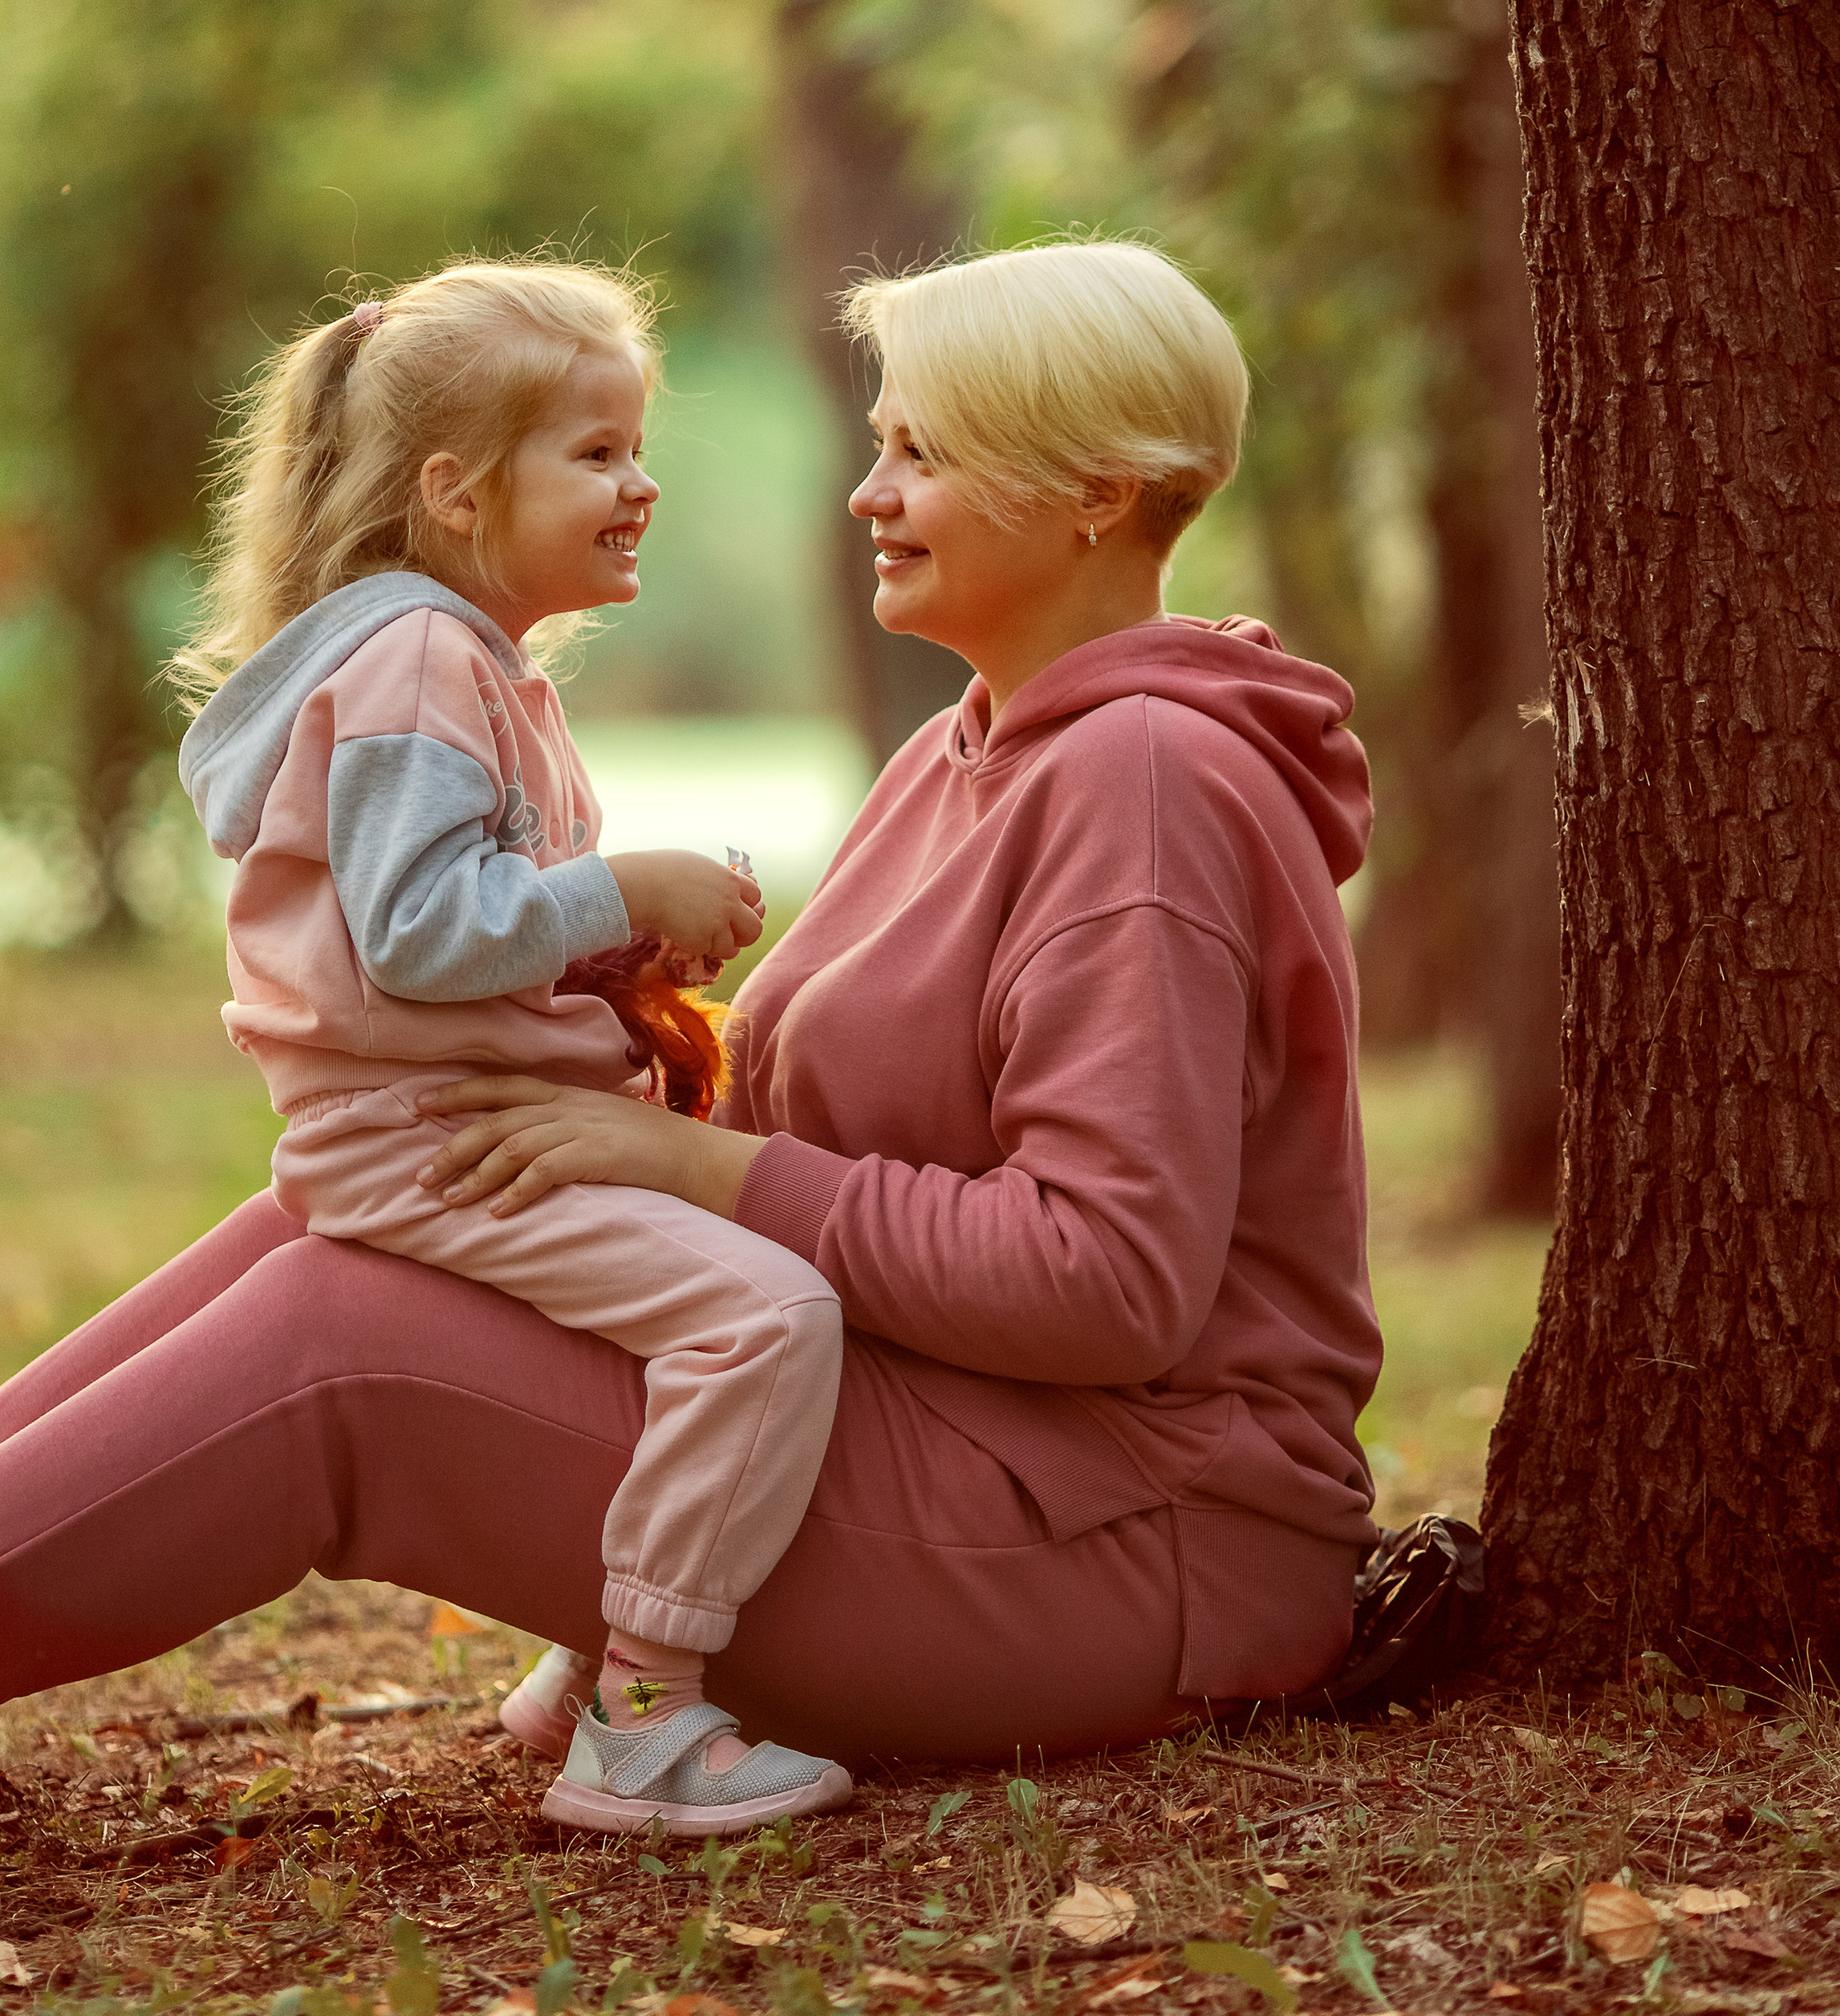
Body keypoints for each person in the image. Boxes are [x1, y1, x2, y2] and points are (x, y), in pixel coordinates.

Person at [0, 240, 1383, 1764]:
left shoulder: (1149, 784)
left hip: (1127, 1539)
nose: (868, 495)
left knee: (348, 1332)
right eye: (881, 449)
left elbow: (1104, 1284)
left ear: (1095, 494)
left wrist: (696, 1165)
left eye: (921, 456)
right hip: (973, 1446)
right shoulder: (965, 754)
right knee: (363, 1200)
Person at [168, 257, 852, 1838]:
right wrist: (621, 886)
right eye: (596, 453)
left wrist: (619, 943)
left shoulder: (471, 663)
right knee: (765, 1323)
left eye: (637, 446)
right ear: (457, 492)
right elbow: (419, 930)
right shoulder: (417, 662)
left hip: (441, 1110)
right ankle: (643, 1717)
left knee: (657, 1323)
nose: (642, 483)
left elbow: (449, 921)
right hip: (428, 1138)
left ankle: (577, 1663)